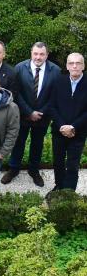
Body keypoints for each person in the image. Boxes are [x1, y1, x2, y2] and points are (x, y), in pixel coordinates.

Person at [3, 42, 60, 187]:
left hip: (43, 116)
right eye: (35, 53)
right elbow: (17, 93)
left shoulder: (56, 70)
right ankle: (13, 169)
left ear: (47, 55)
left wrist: (40, 112)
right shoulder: (20, 68)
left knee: (37, 144)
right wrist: (29, 111)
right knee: (18, 142)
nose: (38, 57)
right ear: (31, 53)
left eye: (42, 54)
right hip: (22, 114)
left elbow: (54, 95)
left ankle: (34, 171)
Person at [46, 53, 86, 191]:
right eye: (71, 63)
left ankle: (68, 193)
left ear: (83, 66)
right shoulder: (59, 81)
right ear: (67, 66)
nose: (74, 66)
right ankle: (59, 187)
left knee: (73, 164)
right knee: (58, 162)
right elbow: (51, 106)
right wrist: (62, 125)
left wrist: (73, 127)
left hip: (78, 132)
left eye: (78, 63)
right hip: (59, 130)